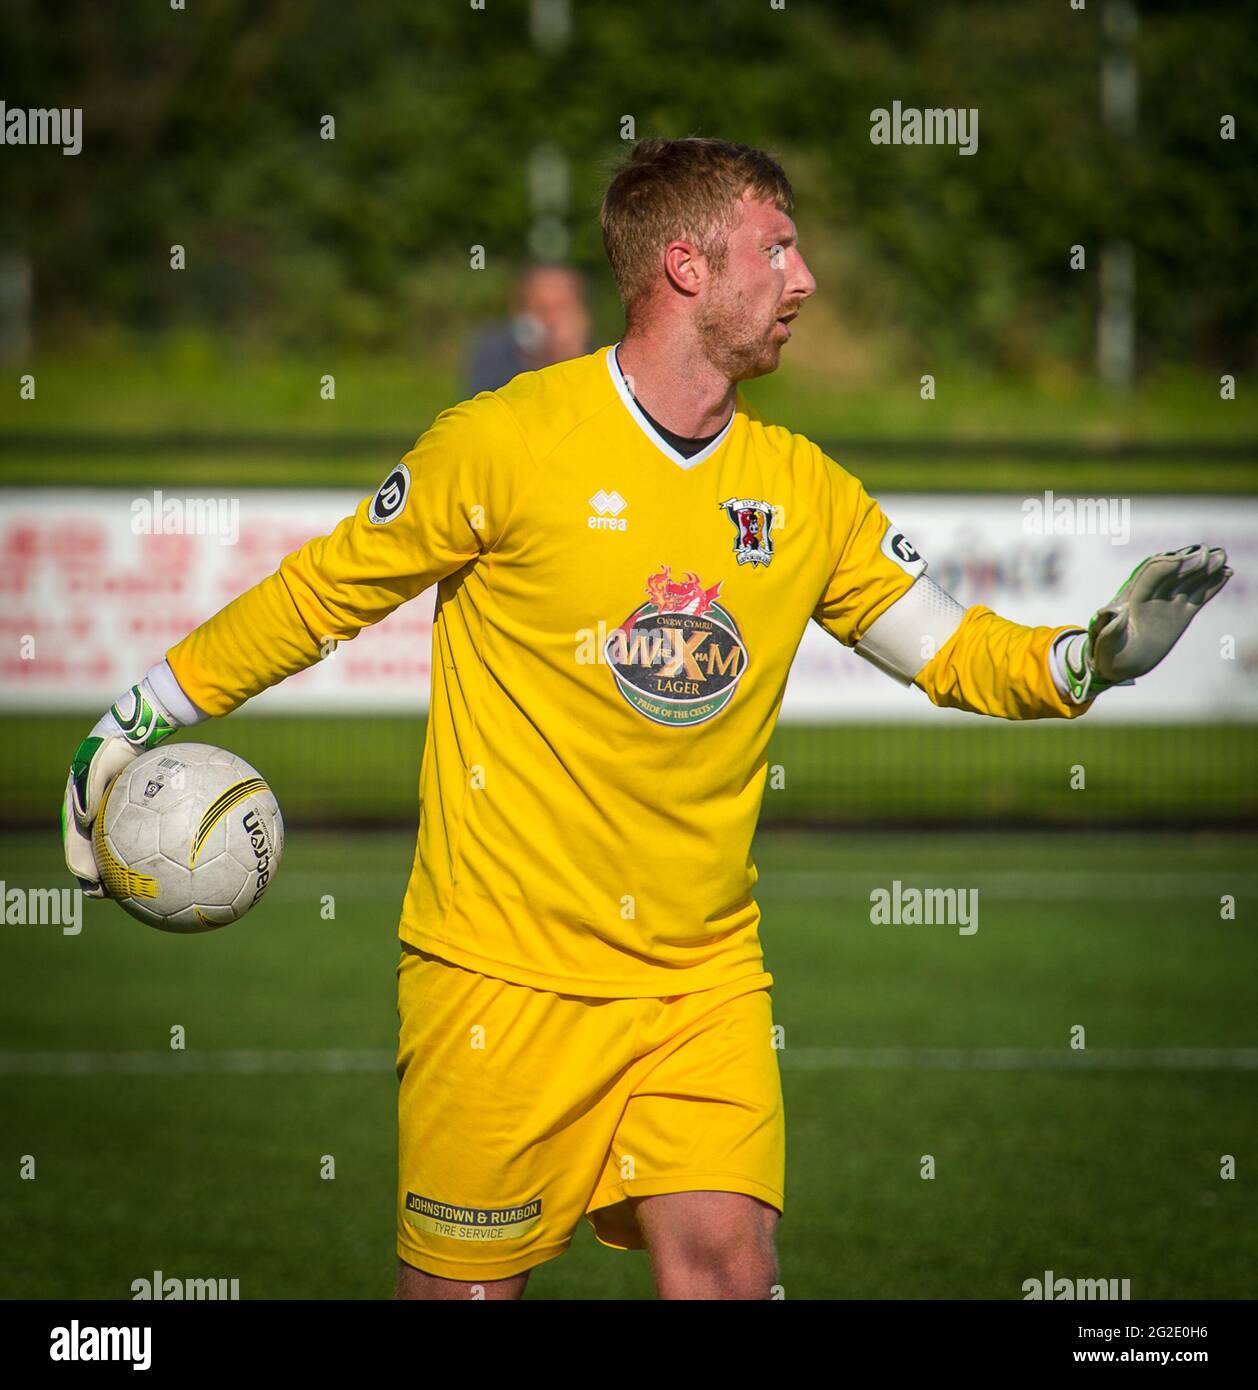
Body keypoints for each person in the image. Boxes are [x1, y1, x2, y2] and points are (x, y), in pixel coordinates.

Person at [62, 137, 1231, 1301]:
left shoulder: (803, 488)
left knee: (728, 1273)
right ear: (685, 265)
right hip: (499, 981)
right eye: (776, 249)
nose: (805, 278)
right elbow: (319, 593)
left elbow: (952, 650)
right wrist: (131, 719)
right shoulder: (505, 442)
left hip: (702, 979)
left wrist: (1082, 660)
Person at [464, 262, 592, 394]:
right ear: (519, 312)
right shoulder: (493, 354)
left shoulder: (599, 361)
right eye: (543, 310)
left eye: (562, 309)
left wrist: (571, 358)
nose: (552, 322)